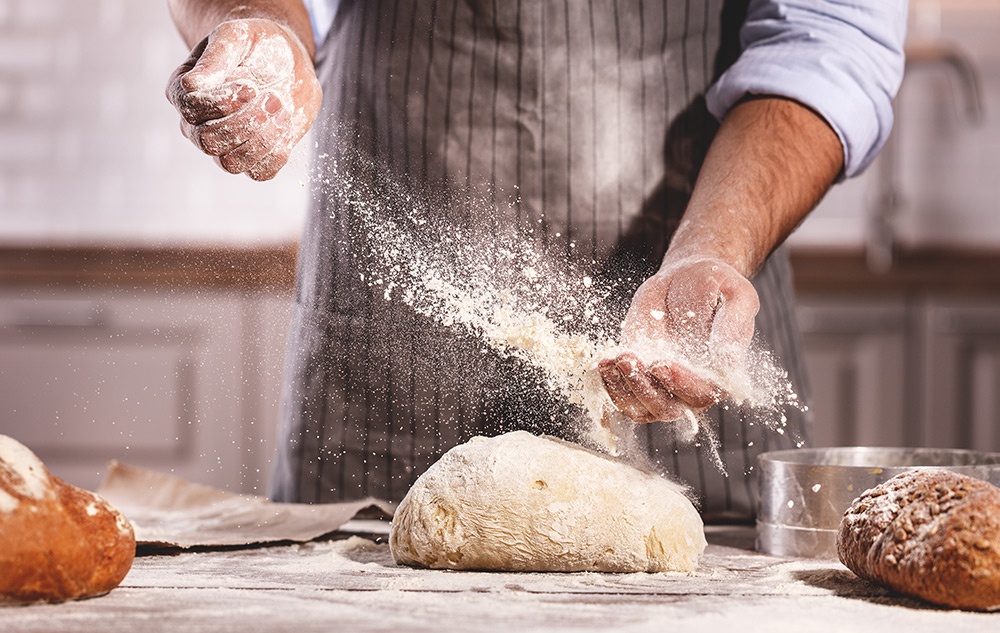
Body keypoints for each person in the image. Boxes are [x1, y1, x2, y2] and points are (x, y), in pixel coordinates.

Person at [166, 0, 907, 521]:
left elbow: (831, 35)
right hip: (389, 357)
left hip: (687, 314)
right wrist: (258, 28)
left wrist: (712, 244)